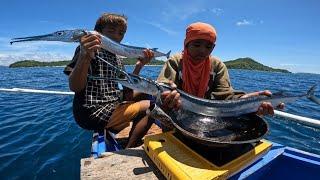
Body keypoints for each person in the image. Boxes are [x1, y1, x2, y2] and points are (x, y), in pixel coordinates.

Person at [64, 13, 155, 148]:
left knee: (150, 93)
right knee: (152, 107)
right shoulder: (88, 49)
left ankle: (121, 123)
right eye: (111, 31)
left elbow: (128, 90)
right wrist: (84, 56)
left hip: (112, 101)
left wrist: (139, 66)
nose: (117, 36)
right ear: (98, 32)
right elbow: (75, 87)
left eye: (121, 33)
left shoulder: (117, 57)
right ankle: (129, 147)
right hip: (91, 111)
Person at [157, 22, 283, 115]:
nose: (202, 50)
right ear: (186, 44)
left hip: (207, 113)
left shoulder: (217, 65)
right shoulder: (174, 61)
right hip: (174, 111)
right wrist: (166, 95)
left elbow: (226, 97)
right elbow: (161, 87)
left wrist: (250, 99)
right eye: (196, 44)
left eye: (208, 47)